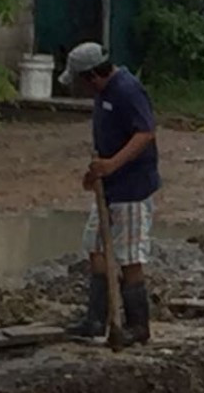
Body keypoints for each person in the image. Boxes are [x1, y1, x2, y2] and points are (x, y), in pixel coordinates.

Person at [59, 42, 160, 345]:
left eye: (80, 81)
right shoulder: (103, 94)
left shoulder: (127, 90)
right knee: (95, 246)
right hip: (109, 187)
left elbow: (146, 132)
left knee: (129, 257)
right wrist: (95, 174)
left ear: (92, 75)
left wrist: (112, 165)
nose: (80, 88)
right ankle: (96, 319)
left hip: (132, 188)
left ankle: (138, 326)